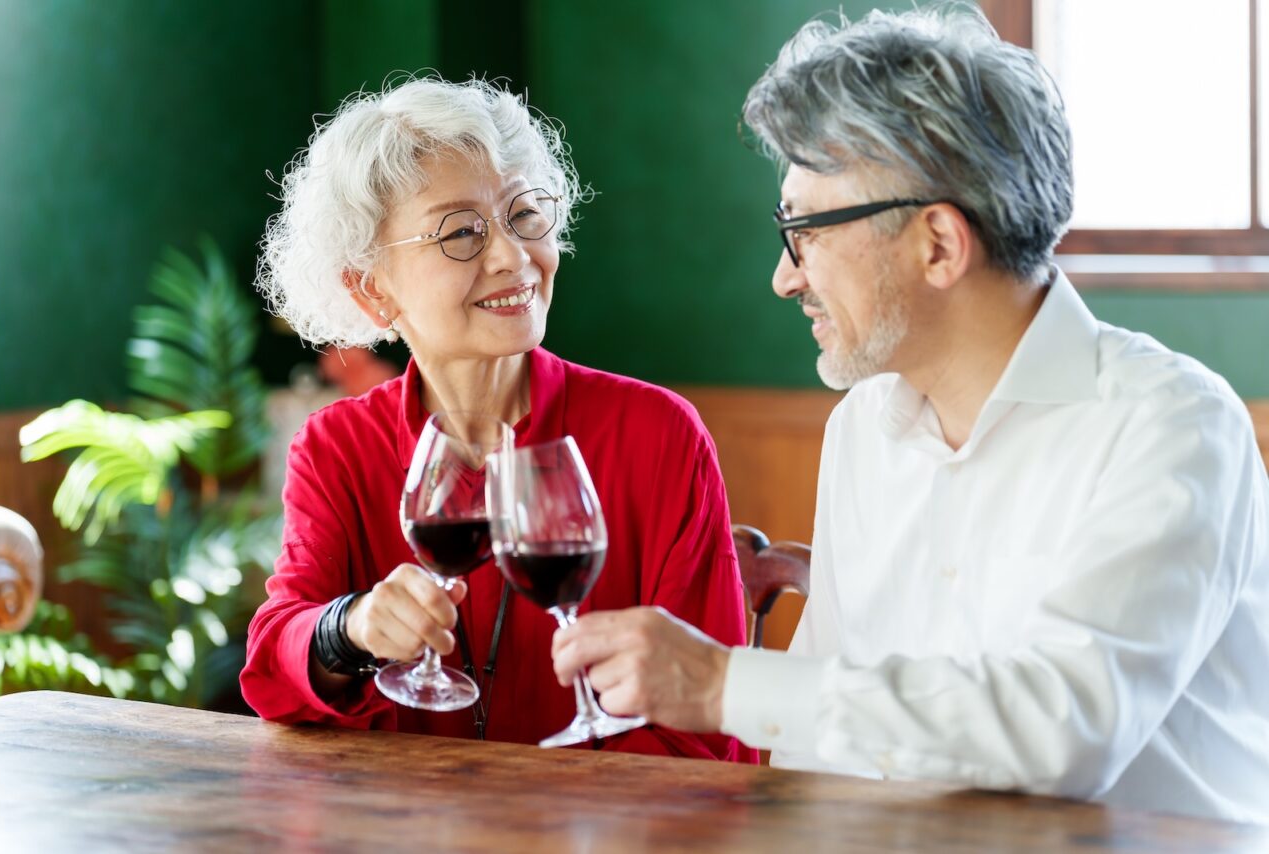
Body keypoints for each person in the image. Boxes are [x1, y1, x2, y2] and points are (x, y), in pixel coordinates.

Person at [551, 5, 1269, 822]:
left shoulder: (1172, 426)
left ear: (938, 245)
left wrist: (720, 684)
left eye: (804, 231)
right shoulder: (863, 426)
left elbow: (1065, 731)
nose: (785, 278)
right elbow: (814, 755)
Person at [240, 76, 755, 764]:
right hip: (404, 818)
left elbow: (708, 727)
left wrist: (541, 814)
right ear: (371, 288)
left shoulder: (657, 434)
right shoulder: (338, 446)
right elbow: (277, 663)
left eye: (525, 215)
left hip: (605, 819)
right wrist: (350, 627)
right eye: (461, 232)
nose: (513, 257)